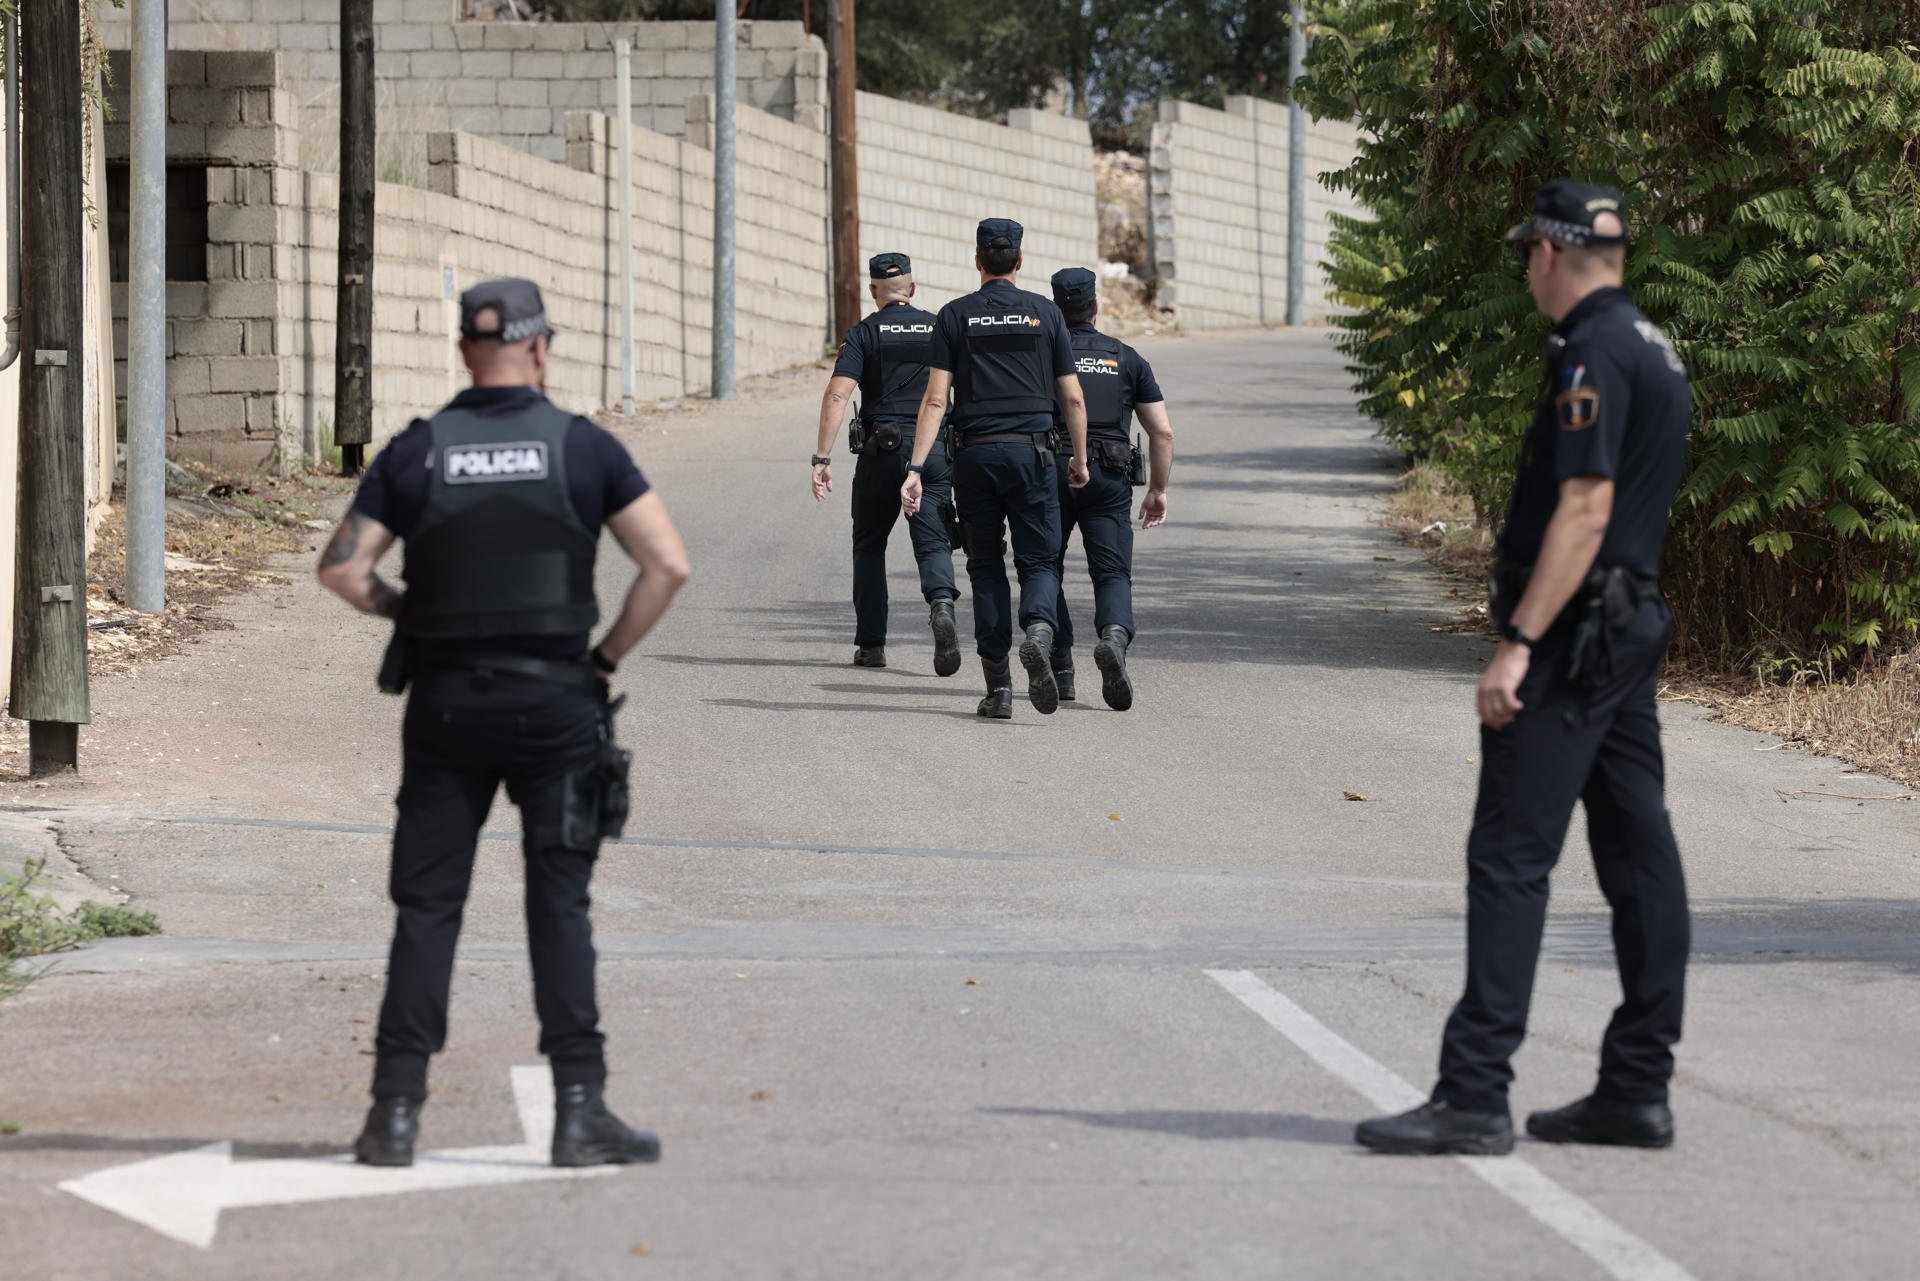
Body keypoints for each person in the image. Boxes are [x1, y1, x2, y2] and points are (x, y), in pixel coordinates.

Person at [316, 278, 692, 1169]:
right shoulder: (582, 447)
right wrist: (601, 662)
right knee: (559, 902)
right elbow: (666, 566)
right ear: (540, 348)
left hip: (446, 703)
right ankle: (578, 1108)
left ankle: (395, 1115)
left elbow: (341, 568)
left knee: (427, 907)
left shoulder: (419, 451)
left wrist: (412, 614)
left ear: (462, 353)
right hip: (557, 706)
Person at [1356, 181, 1692, 1155]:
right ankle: (1638, 1086)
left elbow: (1584, 508)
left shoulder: (1590, 351)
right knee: (1638, 851)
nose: (1525, 273)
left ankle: (1472, 1094)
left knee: (1509, 855)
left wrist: (1521, 642)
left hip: (1575, 641)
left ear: (1548, 255)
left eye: (1526, 257)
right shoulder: (1655, 346)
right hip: (1629, 631)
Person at [900, 218, 1089, 719]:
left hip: (975, 455)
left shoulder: (954, 316)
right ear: (1020, 261)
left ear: (977, 260)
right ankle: (1040, 631)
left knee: (985, 566)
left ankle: (999, 689)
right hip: (1034, 454)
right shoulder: (1046, 314)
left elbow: (936, 401)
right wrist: (1081, 459)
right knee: (1040, 562)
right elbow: (1071, 395)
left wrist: (916, 467)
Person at [812, 252, 961, 675]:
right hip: (931, 451)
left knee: (870, 545)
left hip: (881, 451)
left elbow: (838, 395)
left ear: (873, 291)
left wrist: (822, 457)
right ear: (913, 289)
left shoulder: (864, 333)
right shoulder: (939, 327)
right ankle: (942, 604)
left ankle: (872, 645)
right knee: (933, 541)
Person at [1044, 267, 1174, 710]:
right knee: (1113, 572)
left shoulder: (1043, 355)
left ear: (1055, 310)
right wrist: (1157, 489)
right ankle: (1114, 637)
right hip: (1111, 475)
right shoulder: (1127, 358)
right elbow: (1162, 433)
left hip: (1054, 469)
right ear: (1096, 307)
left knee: (1046, 567)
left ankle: (1060, 666)